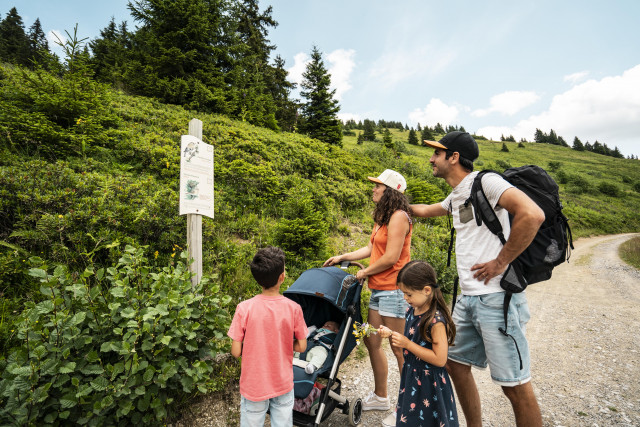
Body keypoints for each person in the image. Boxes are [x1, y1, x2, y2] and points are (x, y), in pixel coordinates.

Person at [411, 131, 545, 427]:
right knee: (455, 364)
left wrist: (501, 261)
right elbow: (424, 210)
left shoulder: (487, 182)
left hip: (497, 298)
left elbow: (532, 214)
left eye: (437, 153)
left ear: (454, 157)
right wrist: (397, 203)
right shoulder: (457, 195)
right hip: (468, 300)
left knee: (514, 386)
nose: (431, 158)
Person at [323, 169, 413, 413]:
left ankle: (408, 406)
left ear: (390, 191)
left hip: (394, 291)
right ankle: (381, 397)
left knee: (399, 348)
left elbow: (392, 257)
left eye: (378, 186)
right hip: (378, 290)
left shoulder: (399, 217)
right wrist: (343, 256)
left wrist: (364, 272)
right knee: (372, 343)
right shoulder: (383, 218)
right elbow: (371, 247)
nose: (373, 189)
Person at [228, 246, 308, 427]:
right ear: (282, 277)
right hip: (282, 383)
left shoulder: (244, 308)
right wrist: (285, 343)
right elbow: (302, 346)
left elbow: (235, 351)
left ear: (258, 279)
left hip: (253, 385)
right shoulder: (293, 308)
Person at [379, 260, 458, 427]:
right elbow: (412, 339)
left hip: (430, 384)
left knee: (428, 421)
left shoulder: (435, 321)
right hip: (412, 378)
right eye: (403, 293)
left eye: (409, 294)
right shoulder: (412, 310)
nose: (405, 298)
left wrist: (407, 345)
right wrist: (391, 333)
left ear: (427, 290)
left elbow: (440, 359)